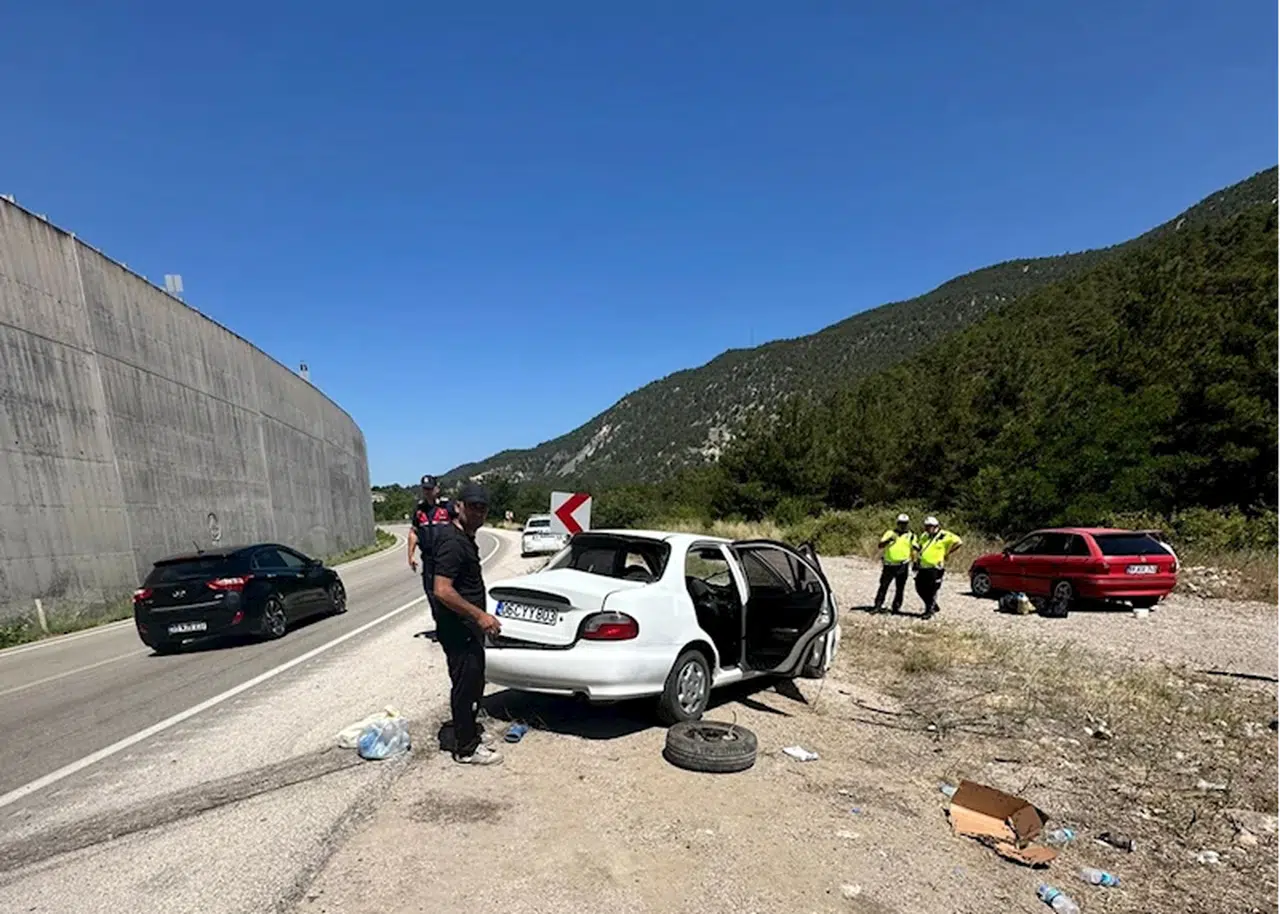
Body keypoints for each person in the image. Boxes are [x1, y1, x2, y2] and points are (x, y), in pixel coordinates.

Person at [432, 481, 503, 766]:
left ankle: (469, 731)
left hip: (467, 627)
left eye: (482, 508)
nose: (478, 512)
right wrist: (479, 615)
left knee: (474, 683)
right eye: (473, 506)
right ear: (458, 506)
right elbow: (442, 590)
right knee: (465, 686)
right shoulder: (453, 542)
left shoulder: (465, 538)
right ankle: (466, 748)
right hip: (458, 628)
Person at [408, 475, 451, 623]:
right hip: (428, 559)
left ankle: (451, 622)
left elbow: (461, 525)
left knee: (448, 590)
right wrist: (410, 555)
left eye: (430, 489)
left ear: (436, 489)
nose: (427, 492)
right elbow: (414, 532)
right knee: (431, 592)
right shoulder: (419, 510)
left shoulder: (446, 507)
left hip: (446, 557)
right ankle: (440, 622)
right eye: (425, 489)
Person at [914, 515, 963, 618]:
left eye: (929, 526)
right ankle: (932, 604)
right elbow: (921, 548)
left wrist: (948, 552)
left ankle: (929, 610)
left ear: (935, 526)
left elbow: (959, 542)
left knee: (931, 589)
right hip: (923, 566)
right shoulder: (924, 536)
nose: (927, 528)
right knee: (919, 587)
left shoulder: (944, 535)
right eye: (926, 526)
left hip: (935, 567)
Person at [871, 513, 915, 614]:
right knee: (883, 586)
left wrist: (915, 561)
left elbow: (913, 549)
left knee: (900, 588)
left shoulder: (911, 535)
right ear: (897, 523)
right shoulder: (890, 533)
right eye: (901, 523)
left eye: (905, 523)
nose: (902, 525)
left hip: (903, 564)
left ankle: (896, 608)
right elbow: (880, 545)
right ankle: (877, 605)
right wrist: (888, 540)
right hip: (889, 565)